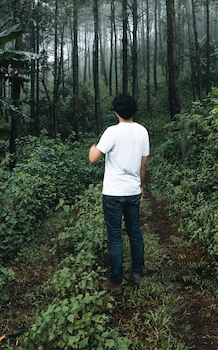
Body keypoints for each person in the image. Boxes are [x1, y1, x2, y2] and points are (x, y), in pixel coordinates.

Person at [89, 93, 150, 296]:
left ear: (116, 112)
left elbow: (93, 158)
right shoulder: (142, 131)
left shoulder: (111, 132)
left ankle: (115, 281)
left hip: (113, 193)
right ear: (134, 110)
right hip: (133, 191)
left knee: (115, 236)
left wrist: (93, 147)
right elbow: (143, 165)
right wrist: (141, 186)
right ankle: (137, 274)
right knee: (135, 232)